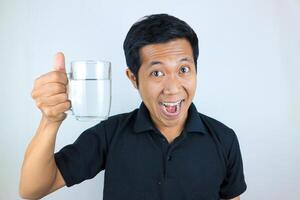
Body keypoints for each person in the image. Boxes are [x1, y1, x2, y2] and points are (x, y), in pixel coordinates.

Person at [19, 14, 247, 200]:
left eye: (183, 70)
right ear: (133, 78)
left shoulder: (224, 139)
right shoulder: (111, 134)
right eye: (157, 73)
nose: (173, 88)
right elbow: (32, 189)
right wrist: (50, 121)